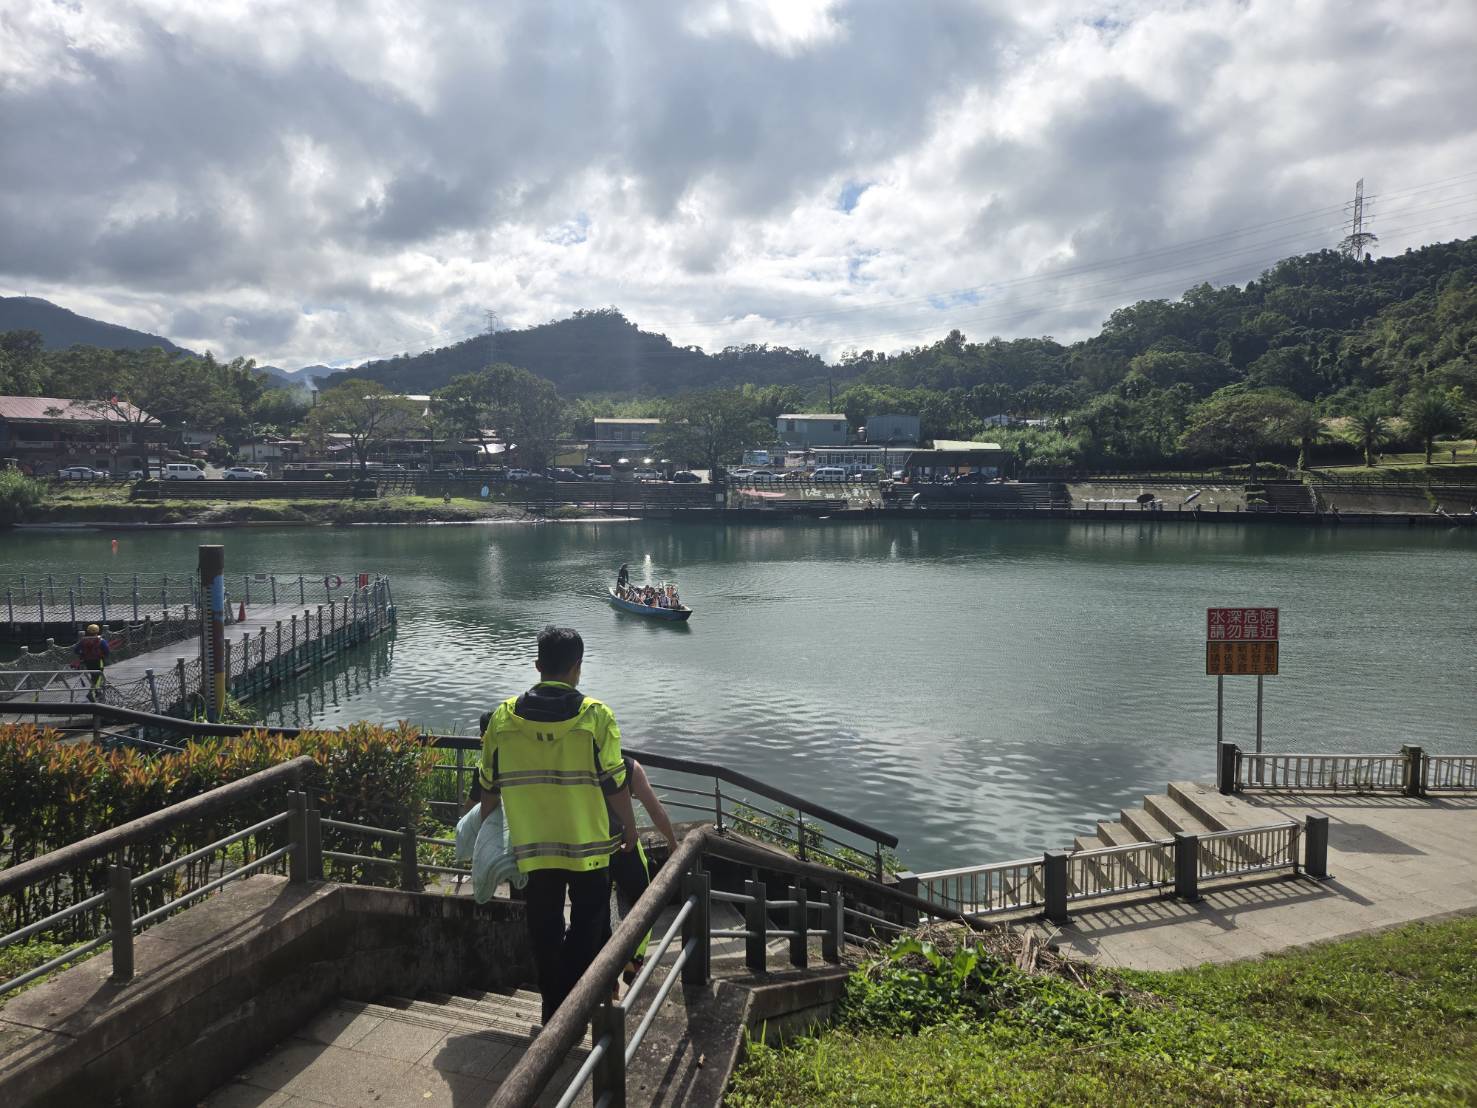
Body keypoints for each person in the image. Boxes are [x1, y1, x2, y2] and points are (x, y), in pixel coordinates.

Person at [478, 626, 637, 1025]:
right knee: (589, 925)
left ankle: (554, 1012)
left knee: (544, 931)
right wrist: (631, 829)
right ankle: (566, 1011)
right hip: (590, 848)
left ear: (538, 666)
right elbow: (616, 783)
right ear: (577, 668)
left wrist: (486, 831)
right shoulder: (597, 716)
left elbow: (488, 787)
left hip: (531, 850)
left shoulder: (502, 718)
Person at [602, 756, 678, 992]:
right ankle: (633, 962)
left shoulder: (577, 762)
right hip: (624, 844)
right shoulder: (628, 766)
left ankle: (605, 982)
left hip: (589, 848)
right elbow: (655, 811)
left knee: (596, 913)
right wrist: (673, 843)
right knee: (646, 901)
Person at [73, 623, 110, 702]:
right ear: (97, 631)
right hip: (99, 661)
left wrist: (82, 654)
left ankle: (97, 692)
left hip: (87, 661)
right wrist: (104, 656)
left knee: (93, 676)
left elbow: (76, 650)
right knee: (98, 677)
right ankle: (91, 693)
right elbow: (107, 650)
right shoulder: (101, 640)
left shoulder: (83, 641)